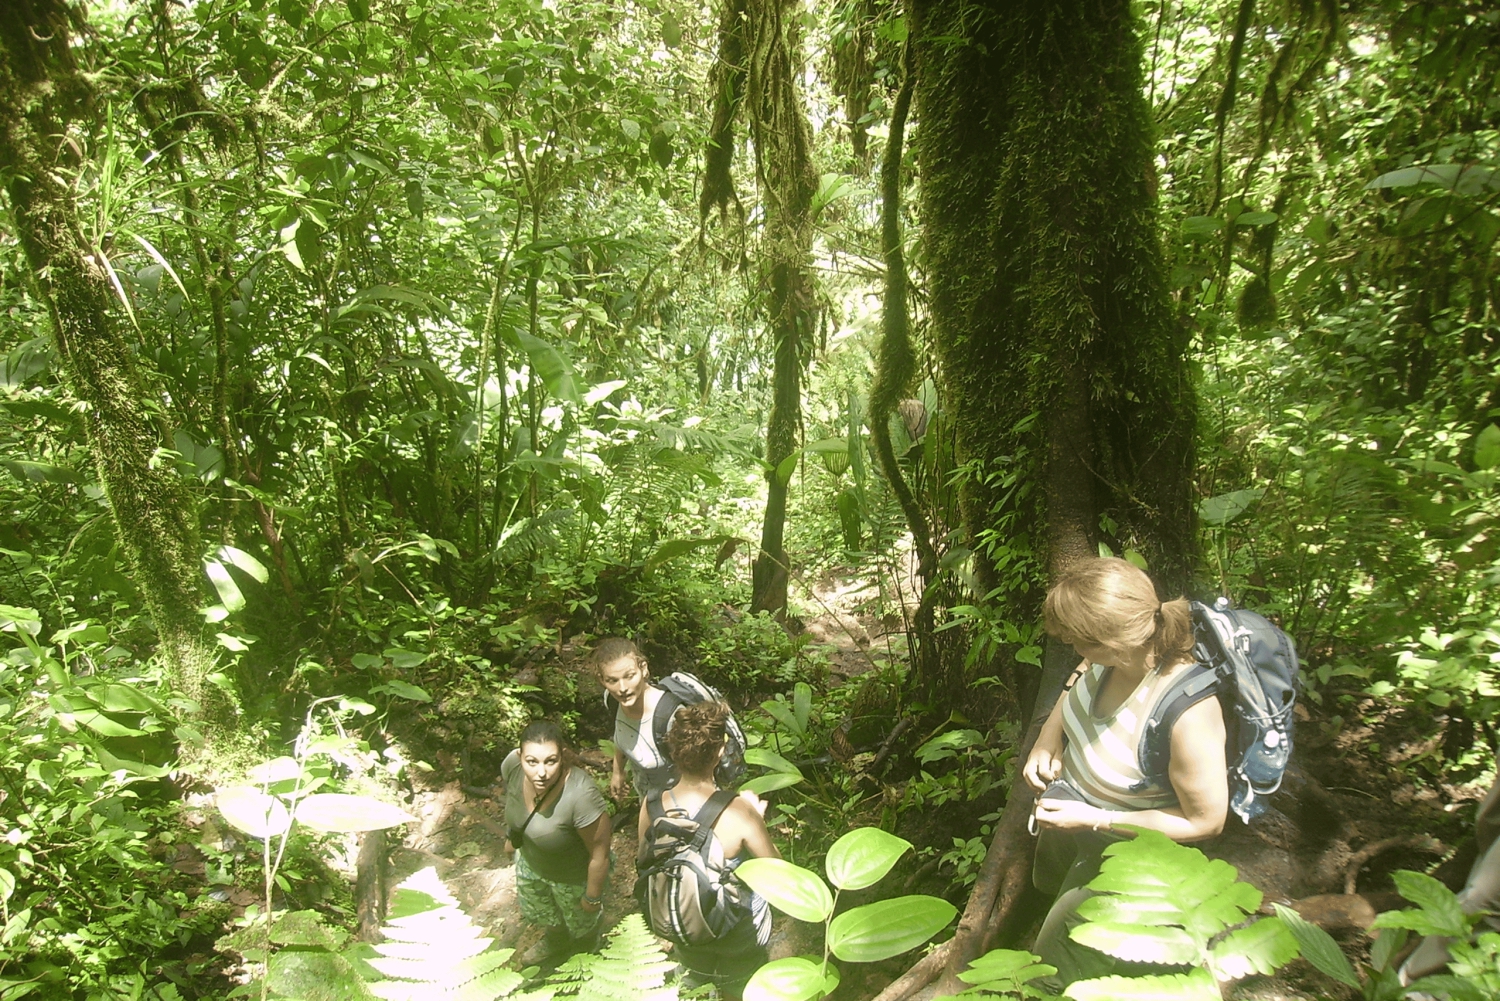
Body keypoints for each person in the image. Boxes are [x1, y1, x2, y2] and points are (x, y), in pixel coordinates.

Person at [1023, 557, 1229, 989]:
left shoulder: (1187, 712)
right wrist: (1049, 735)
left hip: (1124, 853)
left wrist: (1097, 819)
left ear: (1115, 639)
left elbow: (1206, 821)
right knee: (1045, 888)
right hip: (1072, 823)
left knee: (1045, 975)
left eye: (1079, 641)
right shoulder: (1108, 659)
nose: (1072, 650)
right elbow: (1081, 674)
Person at [638, 700, 776, 1000]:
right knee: (740, 985)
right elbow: (779, 872)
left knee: (694, 982)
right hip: (736, 935)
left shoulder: (650, 805)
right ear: (719, 752)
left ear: (674, 752)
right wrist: (755, 815)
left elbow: (645, 862)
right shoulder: (738, 810)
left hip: (683, 925)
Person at [501, 719, 612, 968]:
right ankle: (556, 941)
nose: (541, 772)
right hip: (531, 865)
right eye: (532, 762)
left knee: (582, 926)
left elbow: (599, 853)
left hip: (571, 879)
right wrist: (512, 837)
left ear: (562, 756)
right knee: (548, 915)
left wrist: (592, 897)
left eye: (550, 761)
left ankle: (585, 958)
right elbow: (514, 801)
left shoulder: (581, 795)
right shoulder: (511, 767)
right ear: (520, 757)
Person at [593, 637, 675, 800]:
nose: (622, 688)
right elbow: (622, 732)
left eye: (629, 676)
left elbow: (699, 770)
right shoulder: (612, 700)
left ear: (643, 668)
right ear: (602, 680)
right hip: (647, 799)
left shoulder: (671, 715)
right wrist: (618, 772)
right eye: (612, 680)